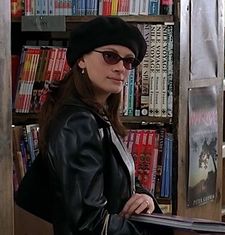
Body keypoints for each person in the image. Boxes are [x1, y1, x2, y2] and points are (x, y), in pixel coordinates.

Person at [39, 16, 170, 235]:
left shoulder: (96, 116)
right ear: (81, 59)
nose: (121, 68)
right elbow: (91, 225)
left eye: (128, 61)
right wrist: (158, 231)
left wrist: (145, 199)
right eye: (110, 56)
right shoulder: (77, 124)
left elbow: (120, 181)